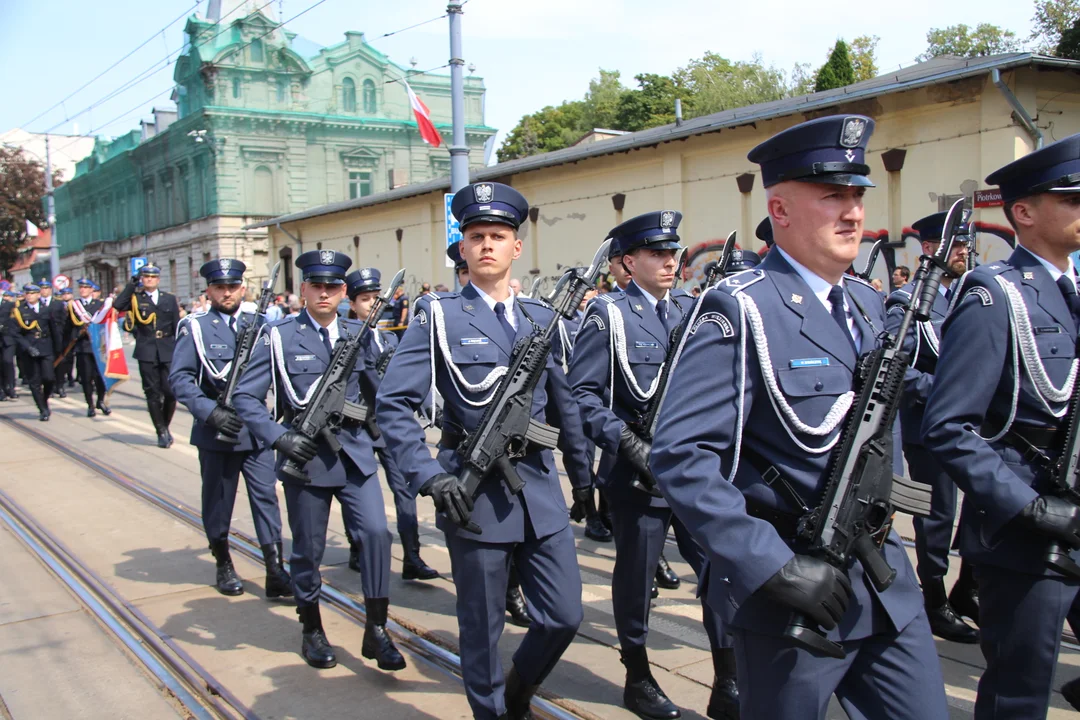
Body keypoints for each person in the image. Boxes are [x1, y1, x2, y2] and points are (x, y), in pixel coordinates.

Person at [651, 115, 947, 719]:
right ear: (780, 211)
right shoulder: (738, 310)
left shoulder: (866, 304)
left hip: (885, 582)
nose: (853, 212)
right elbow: (681, 458)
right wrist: (773, 566)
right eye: (832, 195)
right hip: (792, 590)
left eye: (858, 194)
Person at [377, 182, 595, 720]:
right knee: (481, 627)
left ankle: (517, 691)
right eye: (477, 237)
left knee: (563, 615)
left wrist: (585, 476)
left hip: (539, 495)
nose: (488, 245)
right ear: (463, 249)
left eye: (498, 236)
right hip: (470, 498)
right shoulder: (438, 317)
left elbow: (564, 407)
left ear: (516, 247)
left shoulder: (543, 319)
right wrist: (429, 476)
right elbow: (392, 405)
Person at [922, 133, 1080, 719]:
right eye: (1072, 200)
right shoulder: (996, 297)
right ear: (1024, 213)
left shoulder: (1072, 294)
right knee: (1020, 693)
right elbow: (948, 425)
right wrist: (1032, 509)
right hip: (1026, 532)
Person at [571, 211, 738, 720]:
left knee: (719, 569)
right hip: (635, 473)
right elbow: (582, 396)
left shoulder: (691, 312)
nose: (671, 262)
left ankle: (728, 676)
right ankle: (638, 675)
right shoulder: (608, 315)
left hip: (691, 473)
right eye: (657, 254)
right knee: (638, 576)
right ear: (628, 262)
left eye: (673, 253)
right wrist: (629, 444)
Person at [232, 249, 405, 673]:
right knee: (307, 550)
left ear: (343, 292)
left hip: (355, 456)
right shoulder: (279, 337)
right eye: (316, 286)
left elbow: (377, 392)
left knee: (378, 535)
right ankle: (311, 626)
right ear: (304, 289)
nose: (324, 293)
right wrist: (280, 438)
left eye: (332, 287)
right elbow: (244, 397)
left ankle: (377, 627)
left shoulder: (358, 333)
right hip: (307, 461)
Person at [169, 258, 292, 599]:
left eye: (233, 286)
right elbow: (179, 379)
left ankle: (274, 567)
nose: (227, 293)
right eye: (220, 287)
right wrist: (210, 412)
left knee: (266, 497)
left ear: (243, 288)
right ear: (208, 290)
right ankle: (223, 560)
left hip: (255, 432)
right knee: (219, 500)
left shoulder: (261, 325)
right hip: (216, 432)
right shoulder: (195, 328)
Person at [884, 212, 979, 644]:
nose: (963, 251)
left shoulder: (973, 296)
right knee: (938, 516)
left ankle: (967, 588)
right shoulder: (907, 302)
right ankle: (935, 596)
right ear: (929, 249)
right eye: (954, 245)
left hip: (978, 429)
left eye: (965, 244)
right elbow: (897, 369)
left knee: (984, 508)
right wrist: (949, 390)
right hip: (932, 426)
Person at [344, 267, 439, 582]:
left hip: (387, 430)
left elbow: (404, 382)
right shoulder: (344, 336)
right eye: (364, 299)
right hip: (355, 429)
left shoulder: (387, 339)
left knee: (405, 490)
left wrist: (430, 409)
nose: (372, 304)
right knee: (354, 490)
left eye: (376, 298)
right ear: (352, 302)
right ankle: (357, 546)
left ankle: (412, 556)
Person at [113, 264, 181, 448]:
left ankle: (165, 425)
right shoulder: (136, 298)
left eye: (152, 277)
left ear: (158, 279)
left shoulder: (169, 299)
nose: (149, 279)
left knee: (170, 392)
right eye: (146, 277)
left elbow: (177, 326)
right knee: (152, 393)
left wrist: (181, 350)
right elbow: (118, 305)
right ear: (142, 279)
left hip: (167, 349)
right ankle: (161, 431)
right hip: (147, 349)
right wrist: (130, 285)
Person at [8, 283, 58, 420]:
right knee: (34, 381)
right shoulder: (19, 311)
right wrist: (28, 347)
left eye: (32, 293)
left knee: (49, 378)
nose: (29, 296)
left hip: (45, 347)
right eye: (27, 293)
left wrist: (58, 349)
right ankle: (42, 409)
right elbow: (15, 333)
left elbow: (54, 329)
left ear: (38, 294)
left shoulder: (46, 309)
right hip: (28, 349)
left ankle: (44, 398)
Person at [67, 278, 111, 417]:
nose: (83, 290)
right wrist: (79, 334)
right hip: (83, 346)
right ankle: (90, 405)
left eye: (86, 287)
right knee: (86, 378)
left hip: (99, 347)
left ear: (92, 290)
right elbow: (69, 326)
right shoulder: (75, 306)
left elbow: (106, 324)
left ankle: (100, 401)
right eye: (81, 287)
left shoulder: (100, 305)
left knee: (101, 377)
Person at [0, 289, 16, 400]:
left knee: (8, 361)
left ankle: (11, 386)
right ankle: (1, 389)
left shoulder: (9, 304)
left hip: (8, 339)